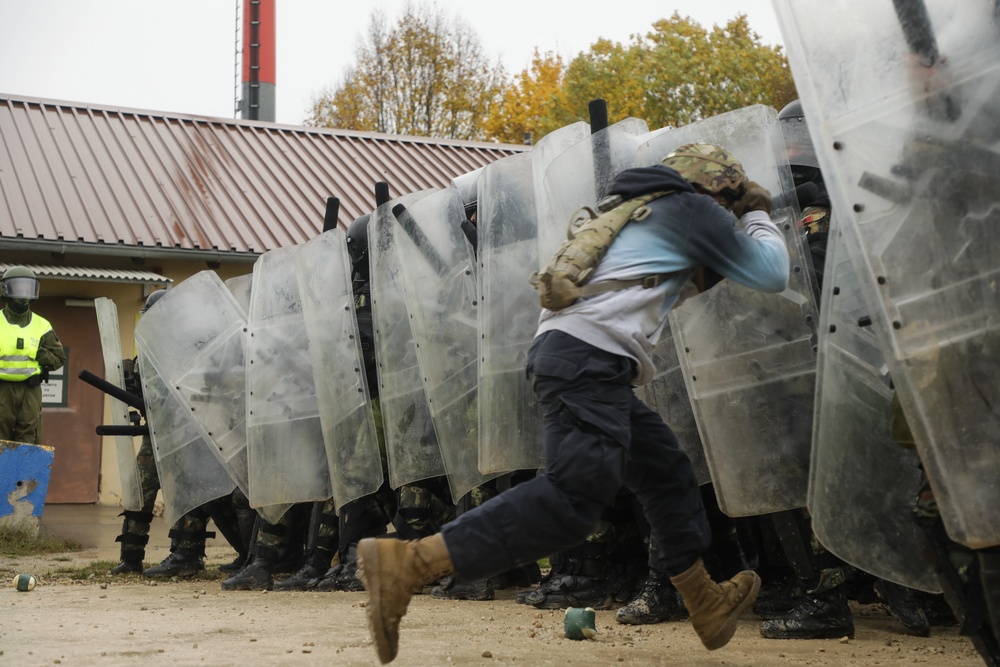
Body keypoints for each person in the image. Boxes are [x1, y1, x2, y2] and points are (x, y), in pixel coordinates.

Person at [356, 142, 790, 663]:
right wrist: (758, 211)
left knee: (666, 471)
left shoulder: (637, 213)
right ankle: (411, 563)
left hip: (580, 358)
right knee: (571, 502)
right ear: (716, 184)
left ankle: (704, 599)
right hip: (589, 361)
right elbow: (771, 273)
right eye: (730, 194)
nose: (729, 207)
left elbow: (682, 279)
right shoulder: (691, 209)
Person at [109, 289, 251, 576]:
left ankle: (186, 556)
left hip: (189, 435)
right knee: (141, 491)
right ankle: (130, 557)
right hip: (156, 433)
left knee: (187, 492)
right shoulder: (147, 350)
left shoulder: (193, 346)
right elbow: (143, 385)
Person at [0, 266, 66, 444]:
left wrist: (39, 352)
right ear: (6, 290)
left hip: (30, 390)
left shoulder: (41, 325)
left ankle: (25, 473)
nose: (23, 293)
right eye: (18, 287)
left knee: (29, 438)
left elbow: (59, 359)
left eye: (27, 287)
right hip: (2, 390)